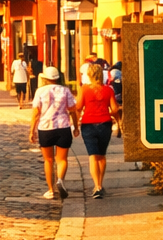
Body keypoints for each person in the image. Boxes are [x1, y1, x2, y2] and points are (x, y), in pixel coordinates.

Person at [29, 66, 78, 200]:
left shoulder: (40, 91)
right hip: (63, 127)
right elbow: (73, 109)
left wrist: (31, 131)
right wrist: (76, 126)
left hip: (45, 128)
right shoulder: (65, 90)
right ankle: (60, 180)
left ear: (45, 78)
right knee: (62, 159)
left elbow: (36, 113)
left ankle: (50, 190)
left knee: (48, 160)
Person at [76, 63, 121, 198]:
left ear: (89, 75)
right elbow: (114, 109)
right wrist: (117, 120)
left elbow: (78, 106)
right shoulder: (108, 90)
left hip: (88, 124)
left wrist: (75, 120)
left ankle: (97, 187)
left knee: (92, 156)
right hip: (104, 124)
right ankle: (100, 185)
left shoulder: (84, 89)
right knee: (101, 156)